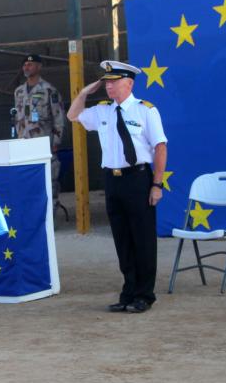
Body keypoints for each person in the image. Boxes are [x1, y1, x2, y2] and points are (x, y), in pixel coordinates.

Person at [67, 60, 168, 313]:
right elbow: (73, 116)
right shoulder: (102, 110)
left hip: (138, 178)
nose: (109, 87)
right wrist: (83, 93)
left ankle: (144, 294)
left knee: (142, 238)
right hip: (112, 179)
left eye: (114, 83)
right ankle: (128, 291)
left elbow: (160, 147)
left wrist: (157, 184)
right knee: (122, 239)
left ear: (129, 83)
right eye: (107, 83)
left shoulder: (145, 110)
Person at [13, 53, 66, 197]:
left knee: (49, 183)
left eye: (30, 64)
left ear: (39, 66)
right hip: (24, 145)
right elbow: (18, 118)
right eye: (24, 65)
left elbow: (58, 117)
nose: (26, 67)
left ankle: (52, 215)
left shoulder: (49, 90)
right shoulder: (18, 92)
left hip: (44, 143)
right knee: (28, 184)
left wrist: (56, 141)